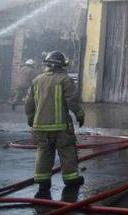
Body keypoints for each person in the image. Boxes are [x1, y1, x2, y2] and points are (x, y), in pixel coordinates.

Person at [25, 51, 85, 194]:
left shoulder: (37, 80)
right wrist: (80, 115)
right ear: (62, 65)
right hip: (61, 127)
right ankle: (71, 179)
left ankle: (42, 181)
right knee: (67, 151)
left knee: (43, 152)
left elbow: (29, 103)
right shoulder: (65, 80)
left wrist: (31, 118)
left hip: (40, 126)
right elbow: (72, 101)